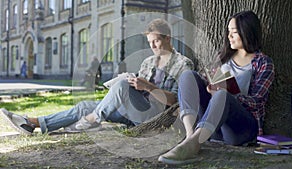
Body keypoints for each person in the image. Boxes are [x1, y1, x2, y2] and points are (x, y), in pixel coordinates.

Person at [0, 18, 194, 135]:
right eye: (150, 42)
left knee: (122, 88)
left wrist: (149, 87)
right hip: (134, 110)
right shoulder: (148, 62)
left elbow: (175, 101)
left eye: (156, 41)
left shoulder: (183, 64)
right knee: (85, 105)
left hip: (156, 116)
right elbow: (136, 90)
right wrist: (134, 82)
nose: (152, 46)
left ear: (168, 38)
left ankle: (94, 118)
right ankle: (33, 123)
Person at [158, 11, 275, 165]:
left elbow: (258, 101)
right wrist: (210, 86)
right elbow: (203, 82)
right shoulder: (223, 57)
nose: (229, 36)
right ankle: (190, 137)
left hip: (241, 129)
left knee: (223, 96)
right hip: (214, 127)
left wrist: (229, 94)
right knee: (189, 76)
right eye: (228, 32)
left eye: (234, 32)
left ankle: (194, 143)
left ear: (247, 32)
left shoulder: (263, 63)